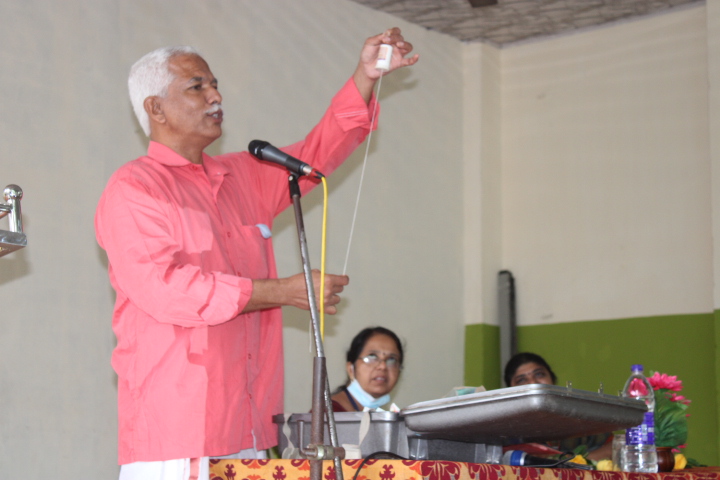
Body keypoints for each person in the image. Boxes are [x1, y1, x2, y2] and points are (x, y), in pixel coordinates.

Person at [95, 29, 418, 480]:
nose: (216, 96)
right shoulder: (134, 188)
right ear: (156, 108)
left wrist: (366, 77)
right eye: (197, 86)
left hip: (249, 426)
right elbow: (165, 289)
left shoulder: (241, 176)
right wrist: (282, 291)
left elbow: (316, 154)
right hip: (177, 432)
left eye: (215, 84)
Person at [504, 352, 612, 461]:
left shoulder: (578, 417)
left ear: (553, 379)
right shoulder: (507, 429)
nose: (533, 383)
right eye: (521, 380)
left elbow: (613, 447)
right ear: (510, 391)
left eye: (539, 374)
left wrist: (575, 462)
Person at [331, 327, 404, 412]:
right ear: (351, 369)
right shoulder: (328, 413)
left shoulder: (385, 415)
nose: (383, 366)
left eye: (392, 359)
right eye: (372, 356)